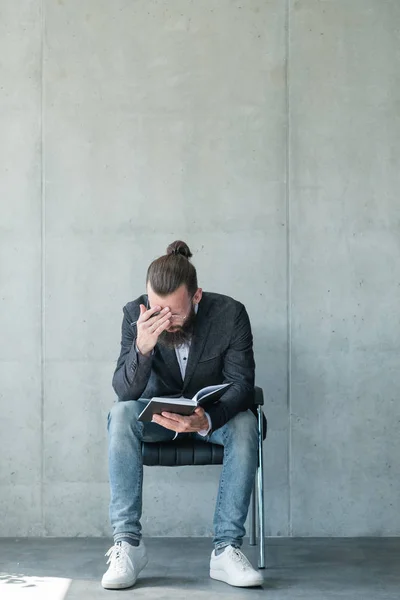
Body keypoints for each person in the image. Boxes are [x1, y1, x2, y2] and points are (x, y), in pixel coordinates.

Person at [102, 240, 263, 590]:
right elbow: (125, 392)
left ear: (196, 297)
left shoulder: (230, 314)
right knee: (121, 415)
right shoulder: (135, 314)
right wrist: (142, 347)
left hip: (210, 419)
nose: (165, 320)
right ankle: (127, 544)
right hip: (158, 422)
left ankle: (226, 550)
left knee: (247, 422)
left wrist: (207, 419)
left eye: (174, 312)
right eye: (157, 310)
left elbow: (242, 383)